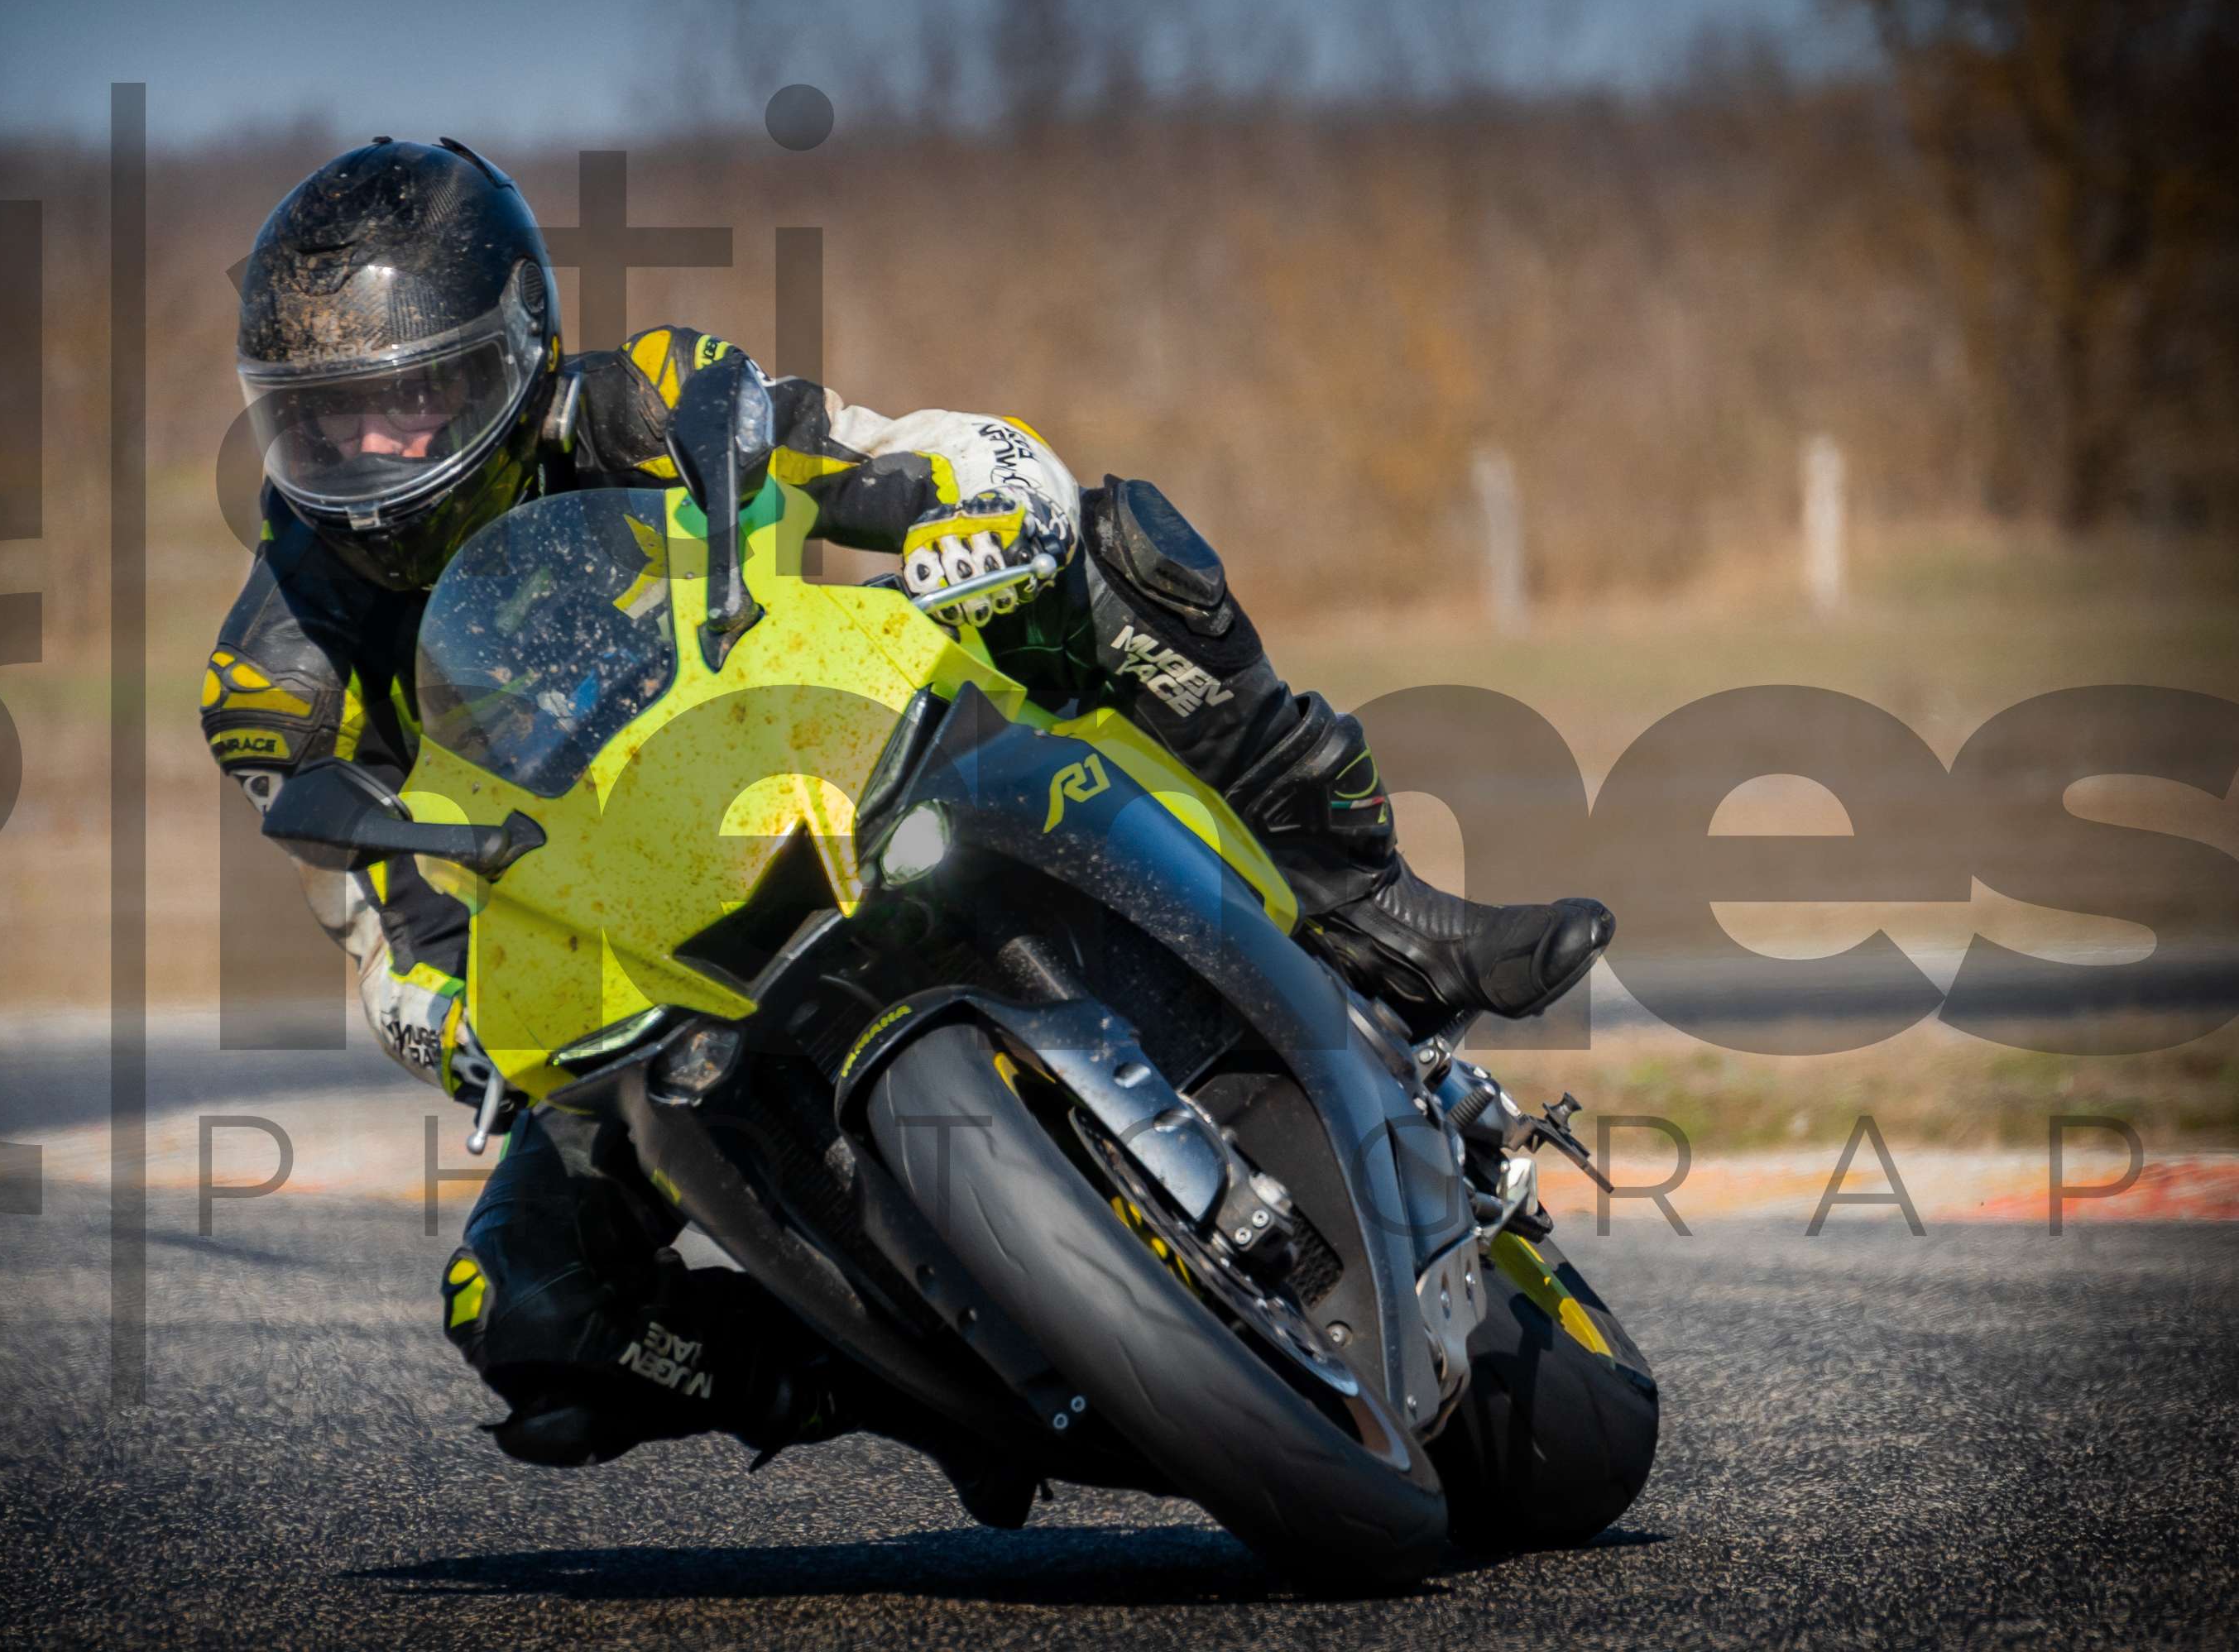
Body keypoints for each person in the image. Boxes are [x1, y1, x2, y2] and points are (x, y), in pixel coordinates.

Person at [204, 137, 1613, 1525]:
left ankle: (1371, 907)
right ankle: (908, 1388)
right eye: (326, 419)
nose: (370, 454)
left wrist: (982, 499)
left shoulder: (652, 400)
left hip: (830, 765)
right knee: (524, 1311)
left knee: (1122, 553)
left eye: (411, 400)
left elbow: (884, 453)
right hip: (614, 960)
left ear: (513, 350)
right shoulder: (279, 667)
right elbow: (378, 919)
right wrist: (443, 1011)